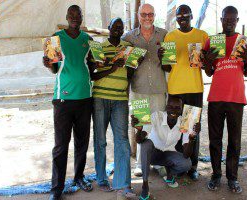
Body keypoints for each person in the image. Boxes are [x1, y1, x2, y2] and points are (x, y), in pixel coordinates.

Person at [43, 5, 94, 200]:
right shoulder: (55, 38)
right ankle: (57, 188)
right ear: (66, 17)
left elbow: (93, 65)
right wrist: (48, 64)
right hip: (63, 100)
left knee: (82, 142)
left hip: (85, 98)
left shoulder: (88, 40)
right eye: (71, 15)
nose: (74, 18)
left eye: (78, 15)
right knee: (61, 146)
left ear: (81, 18)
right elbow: (54, 69)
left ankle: (79, 177)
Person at [203, 6, 247, 193]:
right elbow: (209, 72)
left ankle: (232, 178)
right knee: (215, 139)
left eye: (233, 20)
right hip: (216, 97)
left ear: (237, 20)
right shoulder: (212, 40)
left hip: (236, 98)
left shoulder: (244, 42)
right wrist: (208, 61)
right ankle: (216, 175)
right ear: (221, 19)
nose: (230, 22)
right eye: (226, 19)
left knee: (234, 140)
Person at [158, 4, 208, 181]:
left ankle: (192, 166)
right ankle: (179, 164)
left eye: (186, 15)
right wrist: (160, 56)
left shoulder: (202, 35)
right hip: (175, 91)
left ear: (192, 16)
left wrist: (206, 58)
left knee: (191, 129)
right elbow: (167, 67)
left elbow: (208, 65)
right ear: (176, 18)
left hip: (194, 88)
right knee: (177, 128)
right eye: (179, 16)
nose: (183, 18)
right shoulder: (170, 36)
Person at [92, 17, 138, 197]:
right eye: (115, 27)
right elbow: (93, 76)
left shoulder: (128, 48)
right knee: (100, 140)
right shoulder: (99, 47)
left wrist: (135, 63)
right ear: (109, 28)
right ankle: (102, 179)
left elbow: (130, 74)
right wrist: (112, 67)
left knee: (122, 141)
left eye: (121, 27)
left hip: (120, 99)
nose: (118, 30)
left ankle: (123, 183)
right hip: (100, 98)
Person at [122, 3, 168, 176]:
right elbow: (125, 64)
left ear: (154, 15)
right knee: (141, 126)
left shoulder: (164, 35)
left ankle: (157, 162)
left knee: (158, 126)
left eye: (150, 14)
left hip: (158, 89)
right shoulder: (128, 38)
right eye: (144, 14)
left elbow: (169, 63)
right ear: (138, 15)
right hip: (139, 89)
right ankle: (141, 164)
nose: (147, 17)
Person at [131, 96, 201, 200]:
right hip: (152, 154)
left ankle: (169, 174)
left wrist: (192, 138)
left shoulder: (185, 122)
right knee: (146, 144)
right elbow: (140, 140)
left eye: (177, 108)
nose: (173, 110)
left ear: (181, 109)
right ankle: (145, 185)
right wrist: (139, 131)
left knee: (186, 164)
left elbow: (186, 155)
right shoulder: (156, 116)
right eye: (170, 107)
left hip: (168, 155)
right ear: (166, 107)